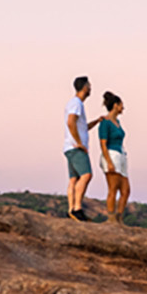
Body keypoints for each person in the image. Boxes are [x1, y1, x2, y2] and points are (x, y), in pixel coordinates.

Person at [64, 76, 94, 221]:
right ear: (84, 87)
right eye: (89, 85)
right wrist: (79, 142)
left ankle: (71, 210)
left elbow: (82, 127)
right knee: (86, 175)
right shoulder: (76, 103)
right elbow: (71, 122)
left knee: (74, 179)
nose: (90, 87)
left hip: (69, 147)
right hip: (76, 147)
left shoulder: (75, 104)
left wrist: (97, 121)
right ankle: (77, 209)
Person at [97, 91, 129, 224]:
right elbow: (103, 144)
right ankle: (111, 218)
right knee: (113, 188)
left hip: (121, 155)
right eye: (121, 105)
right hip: (111, 155)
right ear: (115, 105)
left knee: (125, 190)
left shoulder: (117, 122)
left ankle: (119, 217)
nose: (123, 108)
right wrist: (109, 162)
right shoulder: (105, 123)